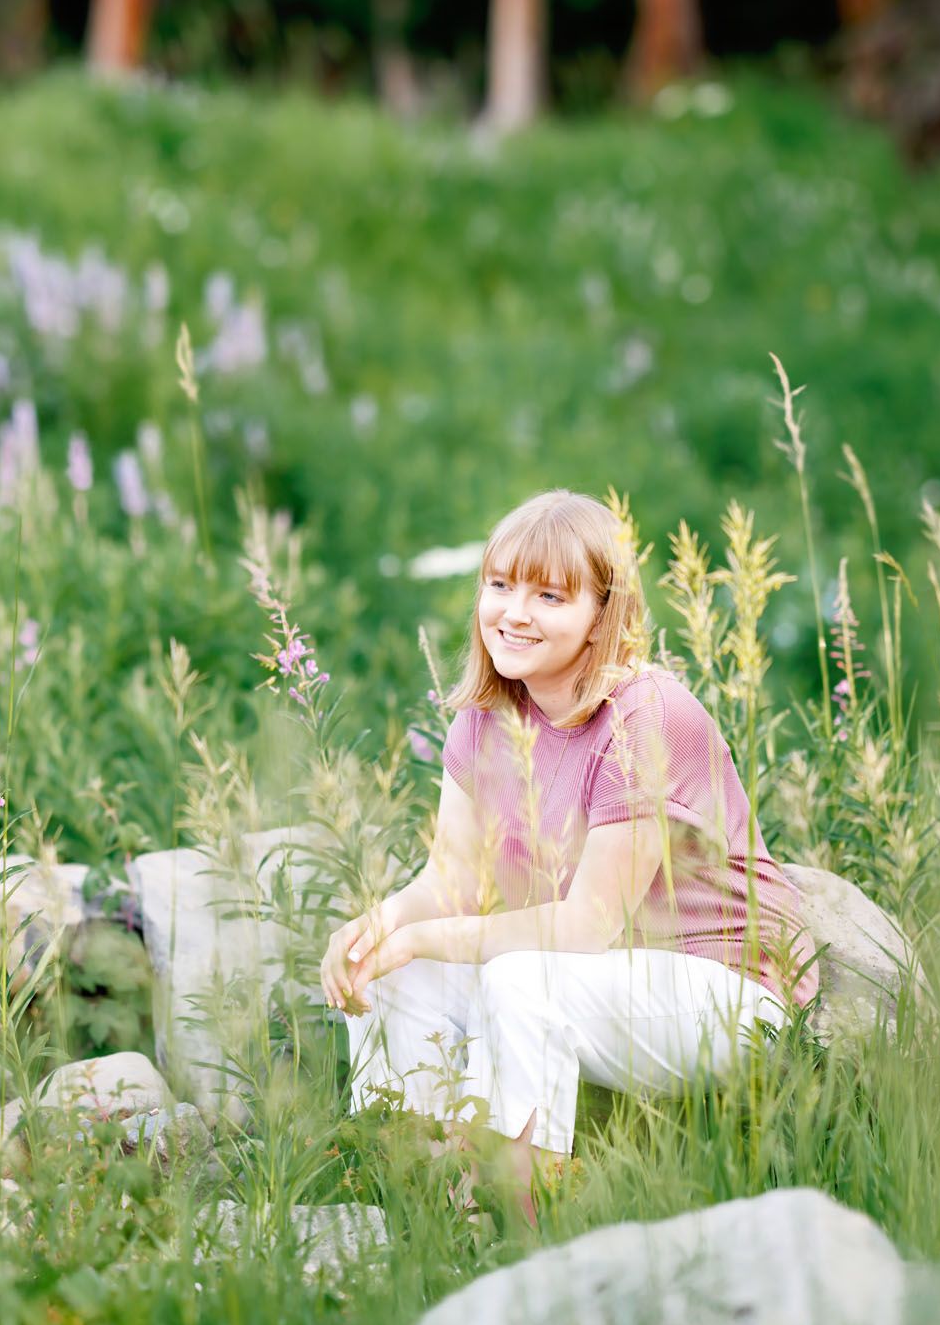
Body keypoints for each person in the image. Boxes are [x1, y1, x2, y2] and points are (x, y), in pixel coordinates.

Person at [320, 489, 815, 1220]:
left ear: (601, 614)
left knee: (521, 983)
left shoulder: (646, 717)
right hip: (608, 979)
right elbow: (452, 880)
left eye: (549, 595)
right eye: (500, 585)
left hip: (724, 990)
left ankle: (526, 1219)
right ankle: (427, 1187)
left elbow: (587, 927)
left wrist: (423, 936)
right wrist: (379, 926)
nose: (514, 612)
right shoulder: (489, 714)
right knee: (394, 964)